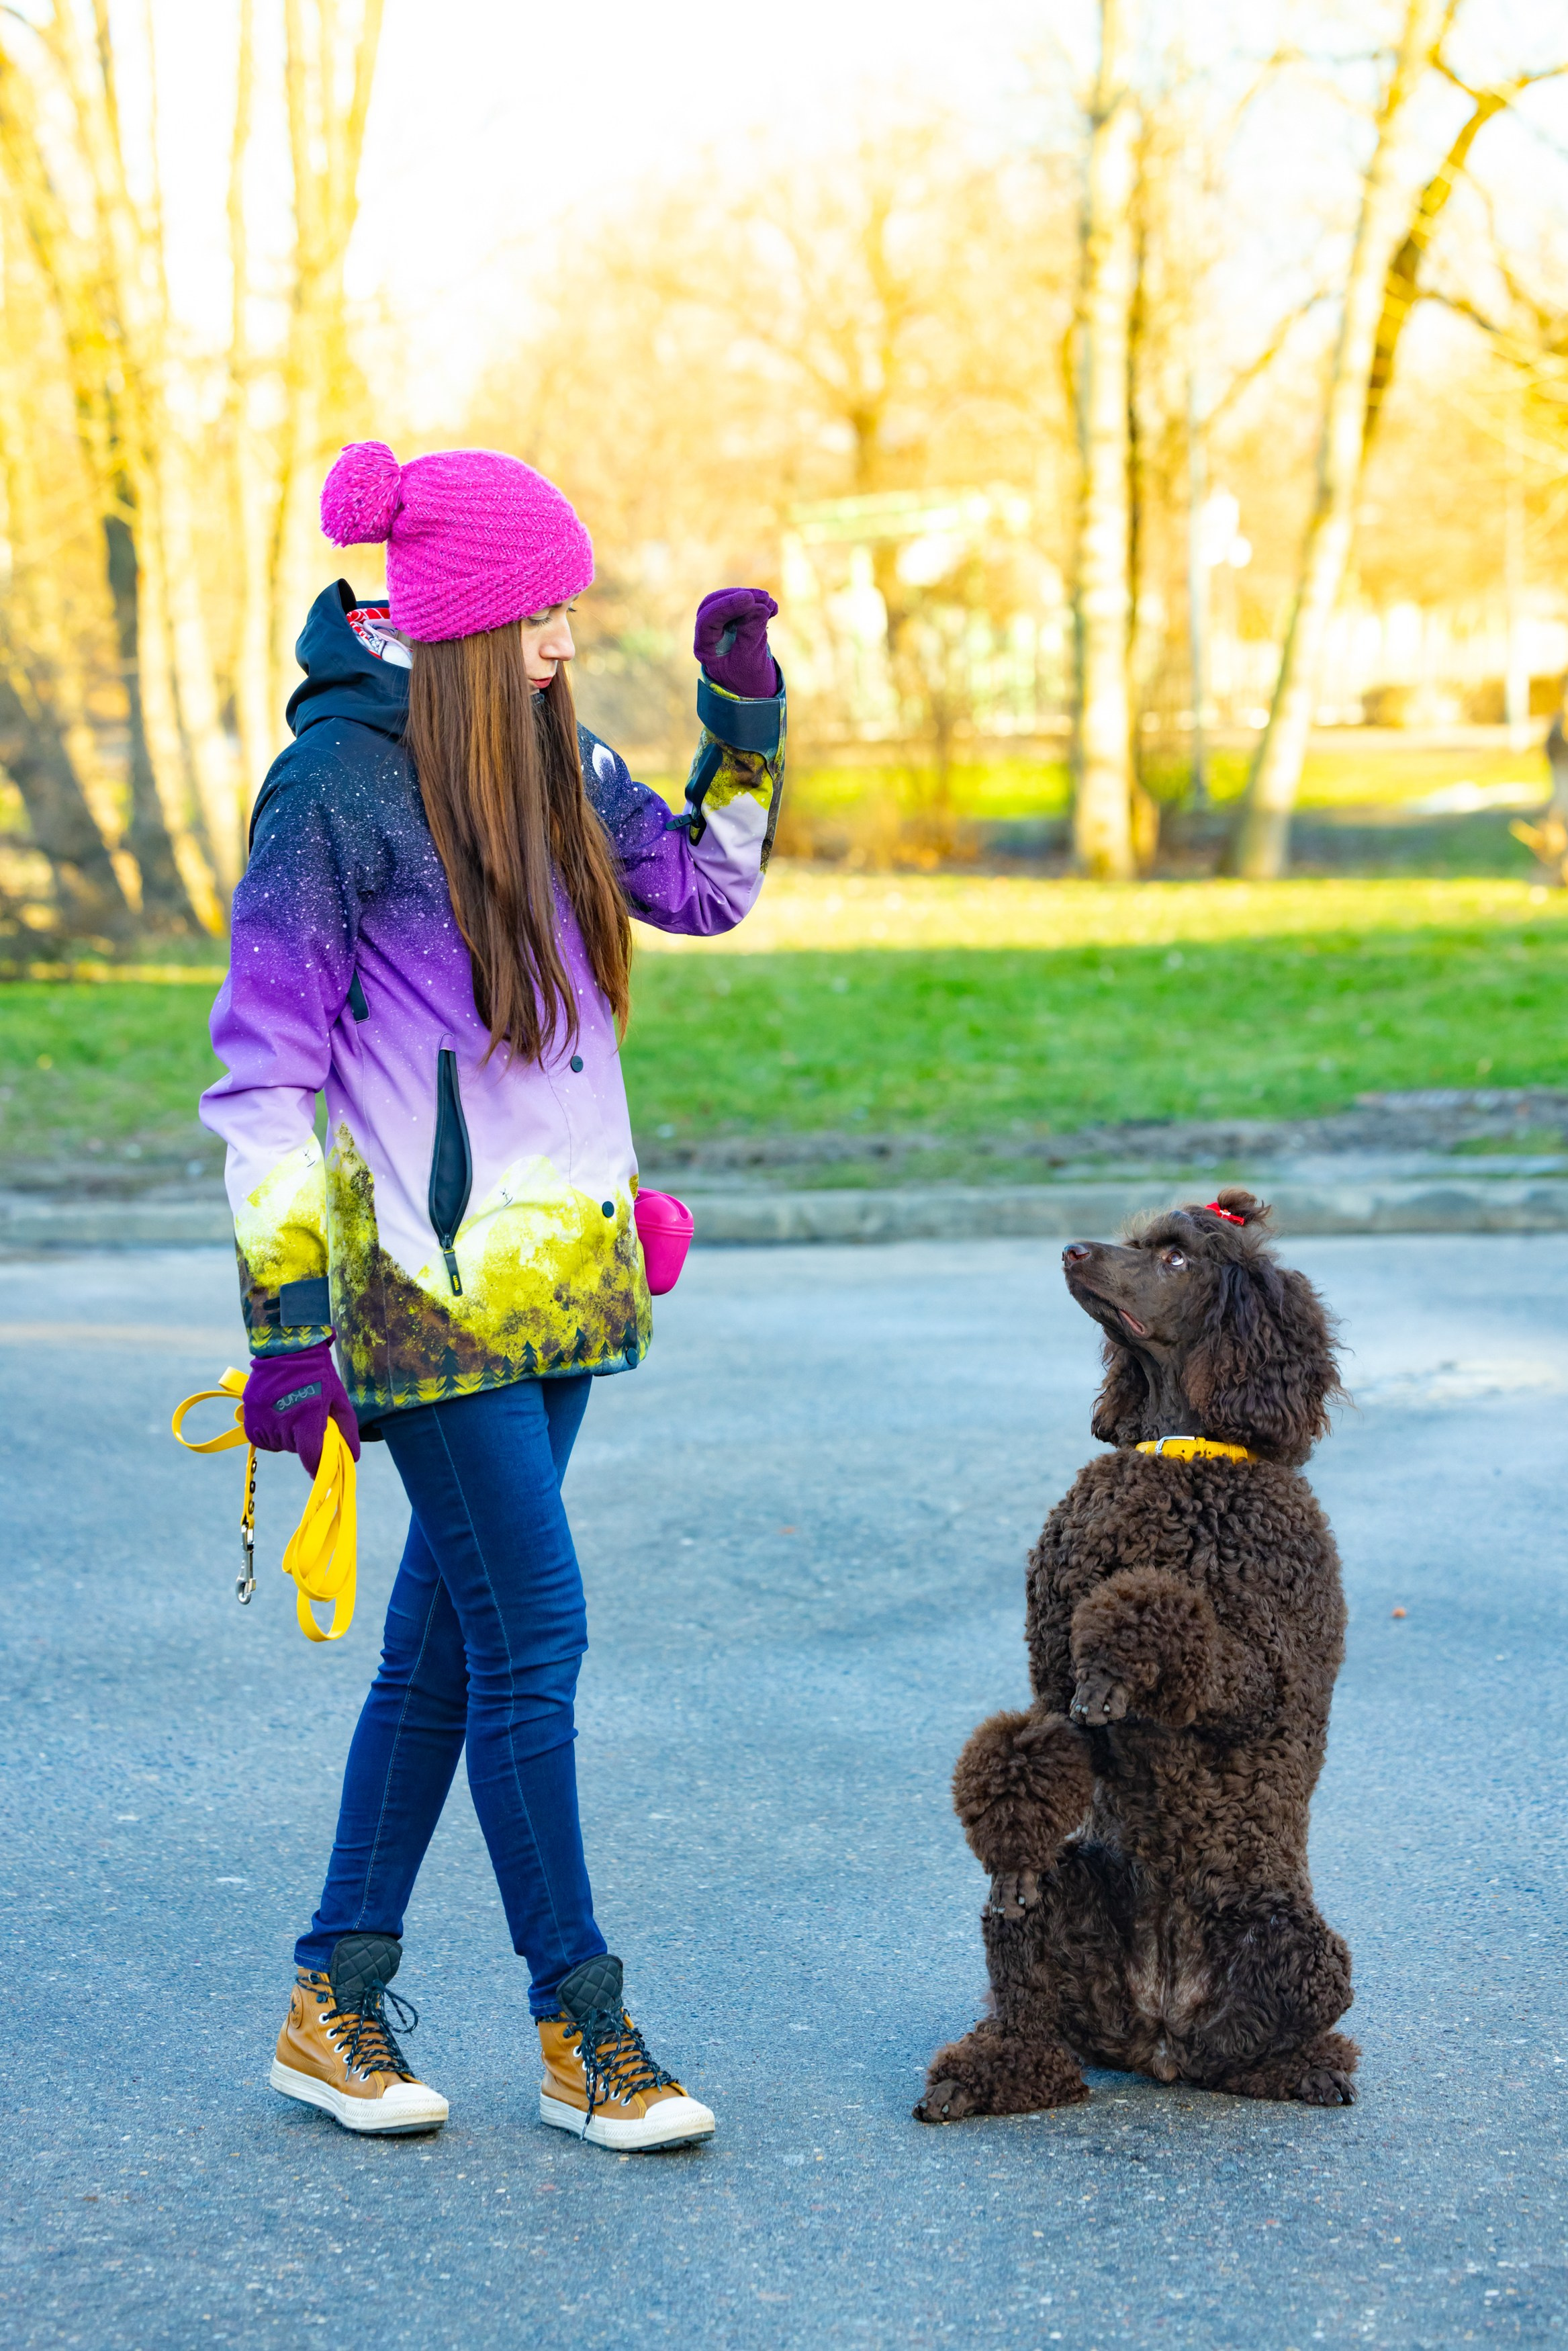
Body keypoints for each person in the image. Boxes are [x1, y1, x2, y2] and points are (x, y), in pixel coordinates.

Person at [201, 439, 784, 2149]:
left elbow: (710, 886)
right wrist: (288, 1330)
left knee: (449, 1652)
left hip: (567, 1285)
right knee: (538, 1636)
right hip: (426, 1301)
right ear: (457, 624)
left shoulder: (557, 759)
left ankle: (333, 1996)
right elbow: (258, 1082)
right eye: (540, 614)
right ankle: (581, 2027)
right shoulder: (333, 800)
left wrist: (739, 721)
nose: (562, 643)